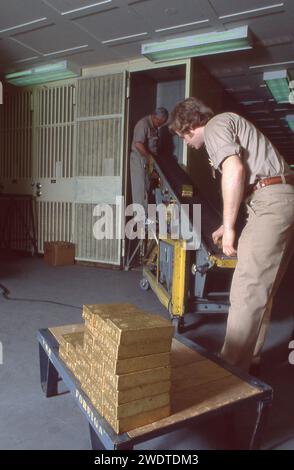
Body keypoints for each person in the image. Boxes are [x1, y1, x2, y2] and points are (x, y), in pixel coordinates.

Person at [169, 97, 294, 372]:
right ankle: (250, 358)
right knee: (263, 288)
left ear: (188, 127)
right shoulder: (228, 123)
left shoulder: (215, 126)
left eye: (182, 137)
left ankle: (229, 370)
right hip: (279, 199)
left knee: (247, 288)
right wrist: (230, 222)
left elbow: (234, 170)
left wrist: (229, 228)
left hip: (270, 202)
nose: (185, 144)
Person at [130, 108, 168, 212]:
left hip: (148, 162)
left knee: (148, 190)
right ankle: (140, 223)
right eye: (159, 122)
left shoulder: (154, 127)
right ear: (154, 117)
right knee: (140, 192)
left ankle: (147, 219)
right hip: (139, 160)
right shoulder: (143, 124)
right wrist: (150, 159)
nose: (159, 125)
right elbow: (138, 144)